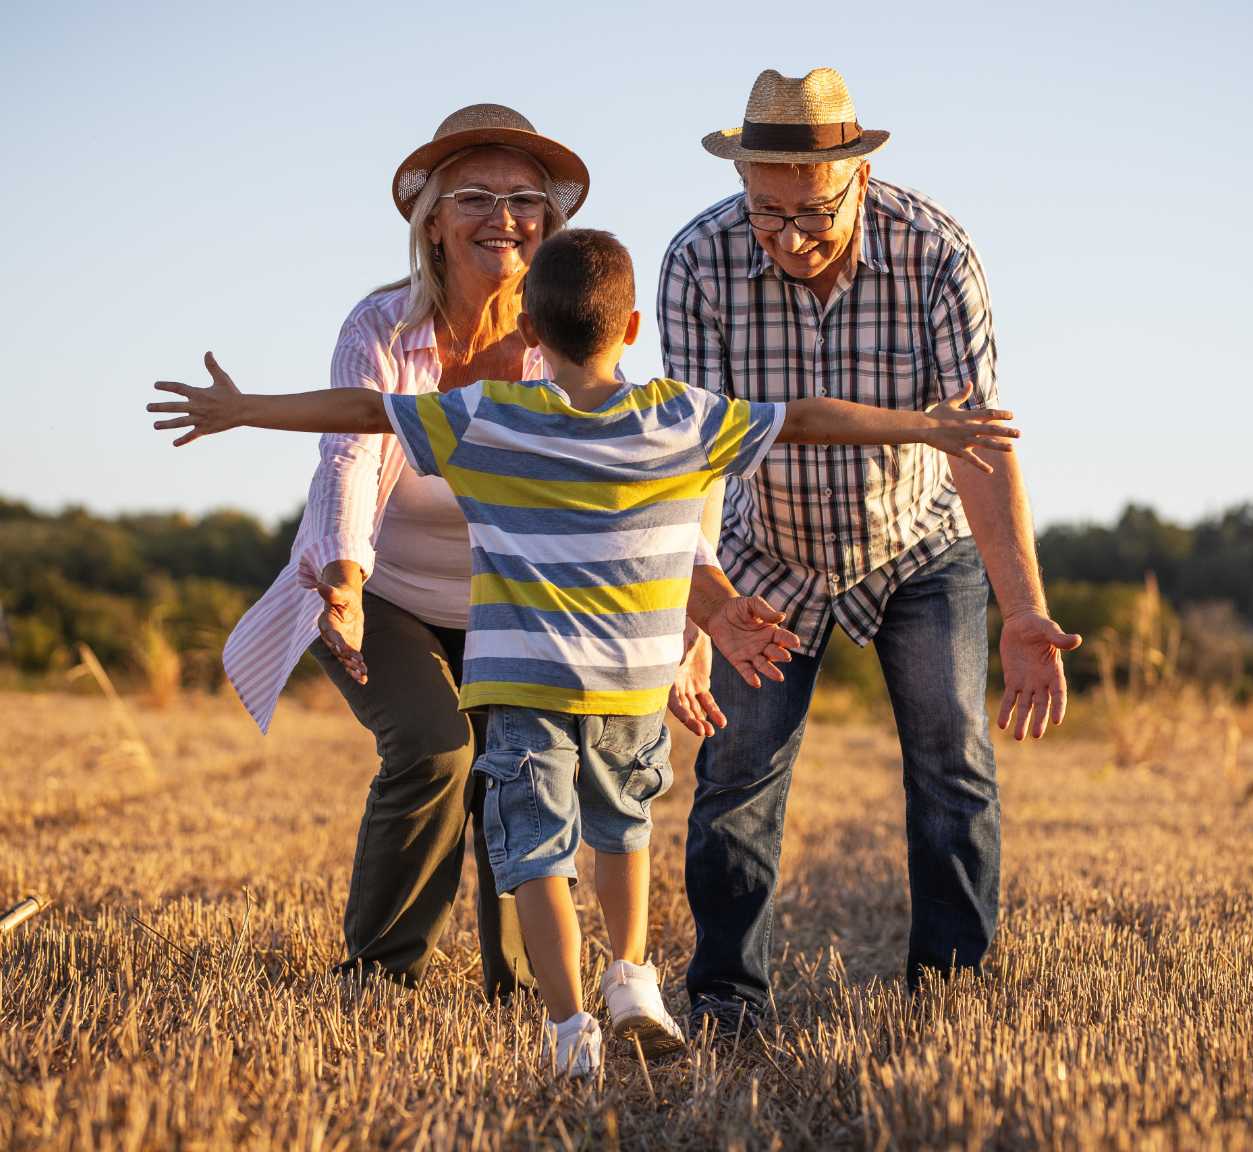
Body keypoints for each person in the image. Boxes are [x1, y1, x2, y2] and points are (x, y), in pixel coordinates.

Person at [149, 228, 1019, 1076]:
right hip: (635, 686)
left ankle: (569, 1028)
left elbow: (364, 412)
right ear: (632, 328)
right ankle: (633, 975)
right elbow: (808, 420)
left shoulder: (488, 417)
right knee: (623, 831)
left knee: (536, 855)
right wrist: (924, 427)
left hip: (524, 685)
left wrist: (246, 409)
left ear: (529, 332)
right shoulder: (681, 416)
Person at [658, 67, 1083, 1032]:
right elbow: (687, 459)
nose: (790, 237)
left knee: (952, 761)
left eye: (812, 212)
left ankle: (951, 993)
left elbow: (979, 443)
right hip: (767, 552)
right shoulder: (696, 262)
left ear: (856, 176)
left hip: (918, 545)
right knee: (736, 772)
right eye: (767, 213)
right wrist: (701, 606)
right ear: (743, 183)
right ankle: (726, 996)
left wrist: (1021, 610)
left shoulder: (937, 252)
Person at [213, 104, 592, 998]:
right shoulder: (382, 327)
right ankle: (378, 975)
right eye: (475, 195)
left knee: (522, 772)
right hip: (379, 588)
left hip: (512, 604)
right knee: (432, 748)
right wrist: (342, 579)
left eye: (524, 197)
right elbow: (349, 450)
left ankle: (526, 986)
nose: (503, 215)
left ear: (551, 222)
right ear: (431, 223)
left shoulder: (562, 342)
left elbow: (612, 474)